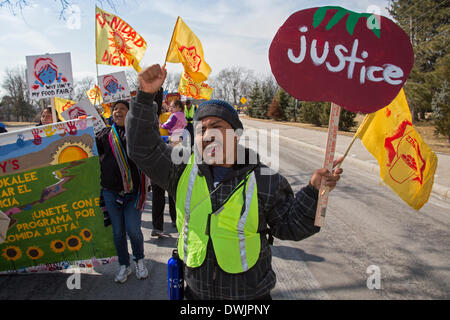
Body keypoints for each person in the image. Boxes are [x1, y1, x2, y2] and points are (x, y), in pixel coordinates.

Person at [126, 64, 343, 300]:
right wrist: (145, 96)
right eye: (201, 129)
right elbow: (142, 147)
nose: (208, 134)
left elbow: (292, 226)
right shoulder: (179, 171)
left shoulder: (265, 179)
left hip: (249, 298)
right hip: (195, 296)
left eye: (217, 127)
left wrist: (313, 192)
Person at [95, 99, 149, 283]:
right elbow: (89, 150)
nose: (118, 111)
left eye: (123, 109)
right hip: (111, 193)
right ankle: (124, 266)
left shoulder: (136, 134)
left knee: (133, 230)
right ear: (111, 114)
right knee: (118, 232)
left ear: (129, 113)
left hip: (133, 192)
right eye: (115, 109)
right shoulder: (103, 134)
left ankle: (139, 261)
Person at [151, 88, 177, 237]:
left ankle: (175, 219)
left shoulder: (169, 116)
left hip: (171, 159)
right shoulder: (147, 120)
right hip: (155, 162)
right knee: (157, 195)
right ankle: (157, 227)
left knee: (173, 192)